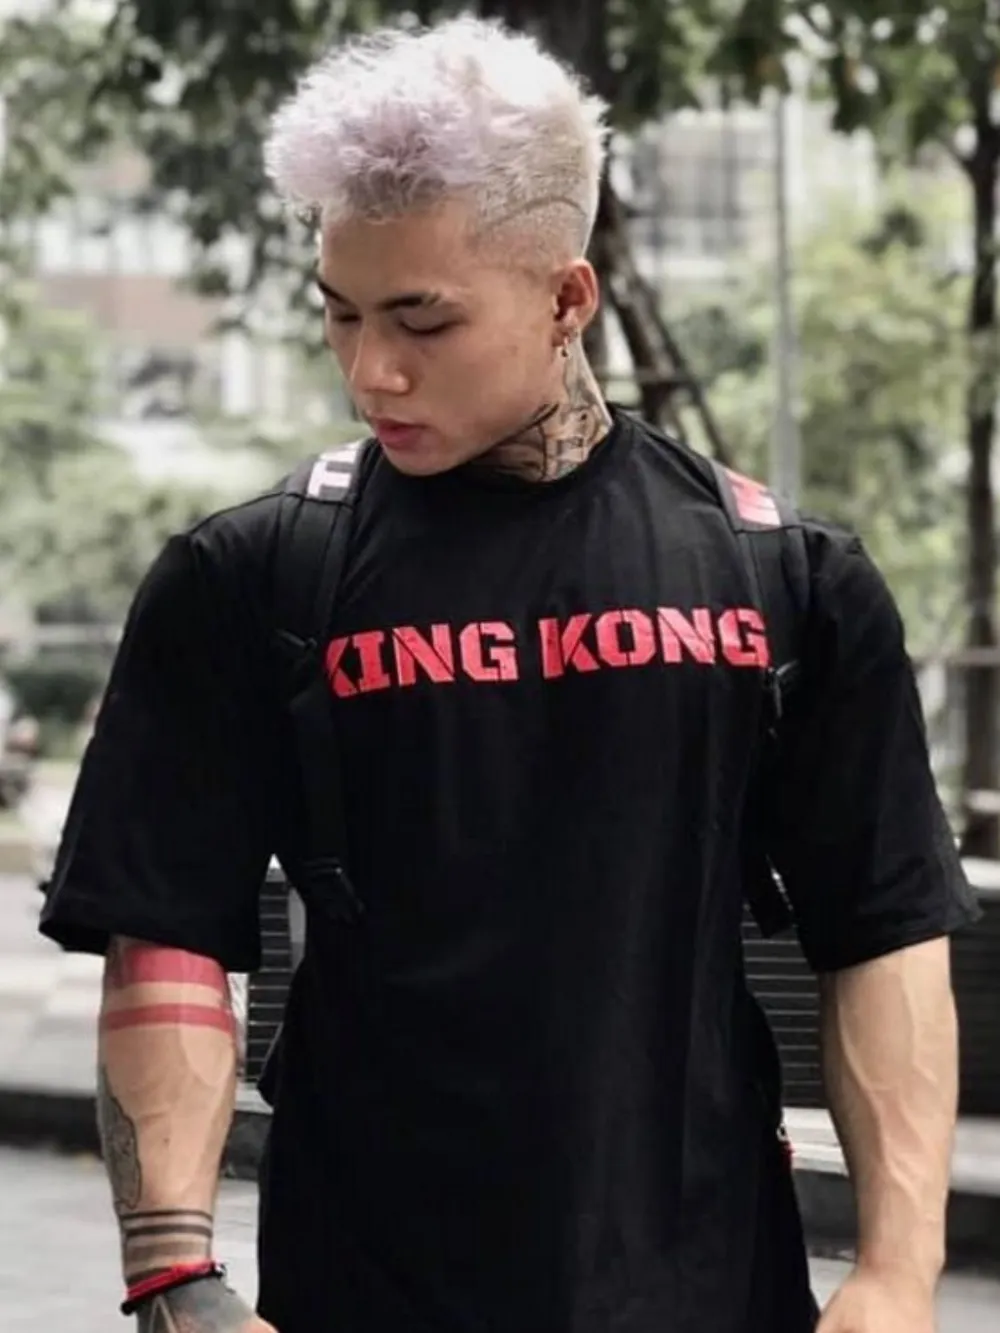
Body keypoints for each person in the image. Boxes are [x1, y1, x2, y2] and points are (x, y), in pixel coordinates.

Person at [40, 15, 980, 1333]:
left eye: (422, 320)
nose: (370, 369)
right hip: (366, 1290)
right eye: (341, 312)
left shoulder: (785, 578)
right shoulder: (250, 578)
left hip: (706, 1287)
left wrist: (896, 1273)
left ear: (566, 300)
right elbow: (168, 934)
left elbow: (881, 928)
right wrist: (174, 1278)